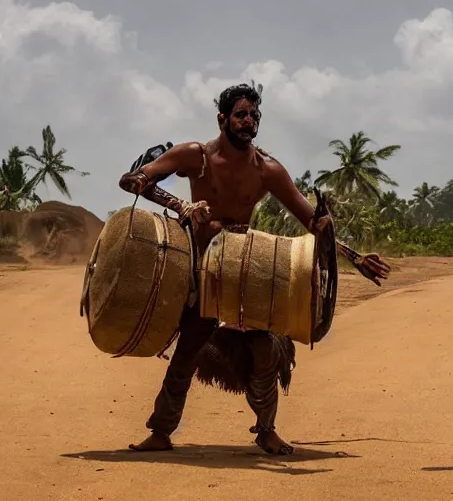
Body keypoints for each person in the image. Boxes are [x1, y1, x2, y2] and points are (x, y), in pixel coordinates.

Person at [117, 83, 389, 455]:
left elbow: (312, 222)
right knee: (188, 352)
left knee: (264, 348)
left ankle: (266, 430)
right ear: (222, 119)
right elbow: (133, 180)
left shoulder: (267, 170)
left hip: (245, 269)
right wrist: (180, 205)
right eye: (241, 115)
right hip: (200, 271)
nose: (249, 122)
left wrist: (353, 256)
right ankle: (161, 432)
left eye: (254, 116)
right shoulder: (196, 156)